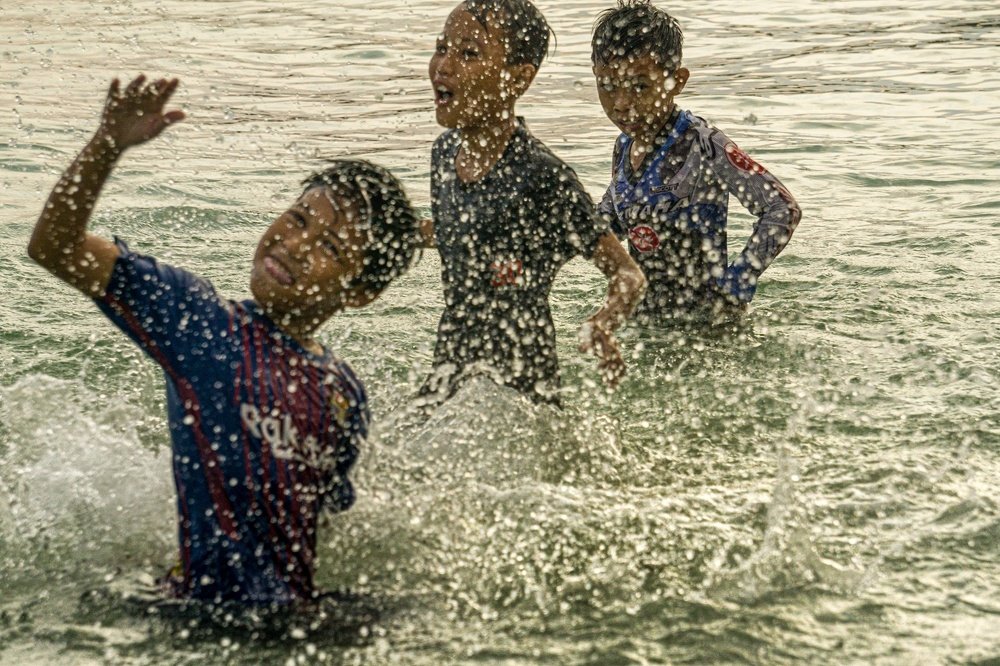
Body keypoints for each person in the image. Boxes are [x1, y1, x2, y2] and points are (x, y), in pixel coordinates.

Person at [27, 75, 421, 606]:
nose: (296, 244)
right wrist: (107, 146)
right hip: (199, 614)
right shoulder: (201, 322)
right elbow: (55, 248)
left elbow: (326, 517)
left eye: (328, 245)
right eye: (298, 217)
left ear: (362, 294)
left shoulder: (343, 392)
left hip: (297, 617)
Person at [422, 0, 647, 406]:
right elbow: (466, 234)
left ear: (518, 79)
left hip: (521, 390)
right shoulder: (444, 154)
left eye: (469, 53)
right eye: (442, 48)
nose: (444, 65)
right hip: (450, 365)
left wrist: (603, 324)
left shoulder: (543, 176)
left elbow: (629, 274)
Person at [592, 0, 802, 324]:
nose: (622, 104)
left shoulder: (703, 145)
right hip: (647, 319)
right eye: (607, 86)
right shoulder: (624, 147)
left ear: (677, 81)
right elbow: (613, 219)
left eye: (640, 86)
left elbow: (782, 209)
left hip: (708, 328)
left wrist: (736, 287)